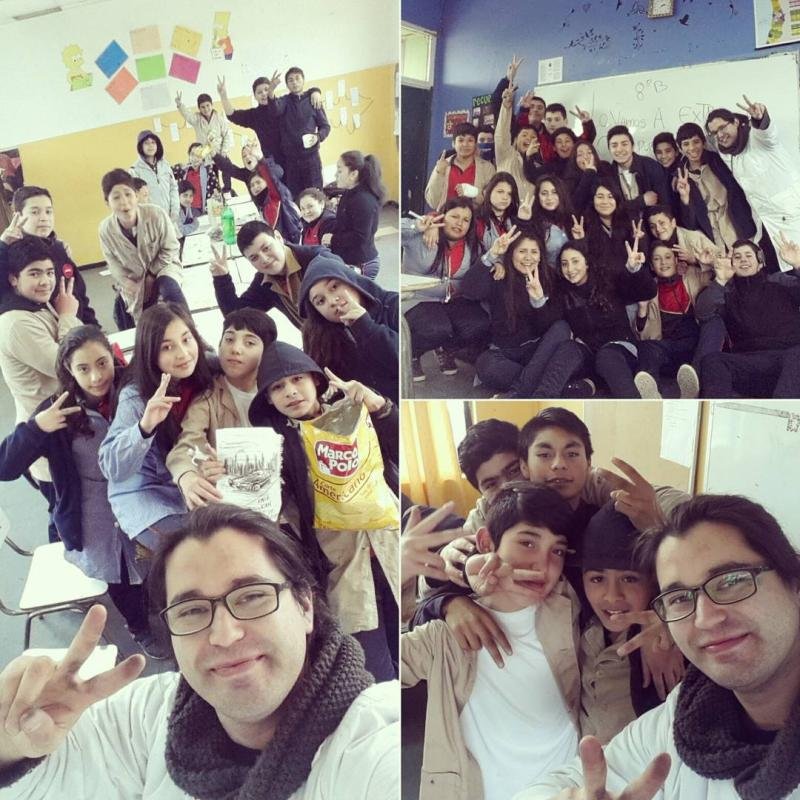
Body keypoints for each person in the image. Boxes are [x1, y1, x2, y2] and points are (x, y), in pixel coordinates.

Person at [0, 504, 399, 798]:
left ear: (306, 605)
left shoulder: (372, 742)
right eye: (192, 610)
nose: (224, 634)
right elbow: (54, 782)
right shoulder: (150, 715)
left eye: (251, 596)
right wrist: (13, 750)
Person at [519, 493, 800, 799]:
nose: (705, 619)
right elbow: (562, 782)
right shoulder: (689, 717)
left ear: (794, 582)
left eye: (731, 581)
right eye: (680, 598)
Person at [401, 483, 580, 800]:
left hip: (567, 788)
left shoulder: (570, 609)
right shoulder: (447, 635)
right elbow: (379, 671)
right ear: (485, 541)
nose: (543, 564)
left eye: (558, 551)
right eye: (527, 542)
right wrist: (401, 575)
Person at [248, 341, 399, 682]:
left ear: (316, 380)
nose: (290, 391)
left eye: (297, 379)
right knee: (372, 669)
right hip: (340, 566)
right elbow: (272, 511)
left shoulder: (354, 414)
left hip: (391, 547)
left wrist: (380, 408)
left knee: (406, 643)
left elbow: (400, 449)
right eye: (277, 387)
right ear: (269, 399)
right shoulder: (274, 447)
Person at [0, 326, 149, 644]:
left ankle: (153, 604)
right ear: (68, 369)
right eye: (83, 368)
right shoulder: (58, 409)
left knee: (153, 561)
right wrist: (38, 428)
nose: (96, 377)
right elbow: (5, 466)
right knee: (120, 577)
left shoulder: (132, 390)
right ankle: (139, 627)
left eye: (102, 363)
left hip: (138, 495)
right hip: (92, 510)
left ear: (113, 356)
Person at [98, 303, 214, 561]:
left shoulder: (205, 372)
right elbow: (112, 468)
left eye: (186, 339)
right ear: (150, 354)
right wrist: (144, 427)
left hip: (188, 486)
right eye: (167, 347)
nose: (183, 353)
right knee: (200, 554)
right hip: (145, 496)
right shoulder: (135, 397)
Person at [0, 239, 82, 535]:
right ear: (13, 279)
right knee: (63, 513)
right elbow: (69, 365)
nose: (45, 280)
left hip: (60, 426)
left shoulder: (36, 307)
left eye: (49, 272)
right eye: (34, 273)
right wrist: (69, 315)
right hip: (45, 436)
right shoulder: (16, 323)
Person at [166, 308, 277, 510]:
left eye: (249, 342)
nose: (235, 349)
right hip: (236, 507)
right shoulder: (208, 399)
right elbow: (185, 447)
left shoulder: (279, 390)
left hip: (284, 500)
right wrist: (189, 475)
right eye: (229, 339)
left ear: (267, 352)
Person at [578, 502, 670, 745]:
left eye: (629, 579)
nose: (612, 596)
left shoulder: (667, 641)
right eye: (597, 579)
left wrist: (671, 623)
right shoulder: (580, 620)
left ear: (653, 581)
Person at [460, 230, 581, 398]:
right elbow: (468, 289)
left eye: (534, 252)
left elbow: (553, 325)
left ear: (540, 256)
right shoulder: (499, 274)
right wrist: (492, 256)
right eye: (522, 251)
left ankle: (518, 393)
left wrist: (538, 301)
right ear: (511, 253)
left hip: (540, 351)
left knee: (562, 328)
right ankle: (553, 385)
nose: (528, 257)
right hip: (507, 351)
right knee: (486, 365)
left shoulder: (551, 277)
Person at [548, 239, 658, 397]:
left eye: (575, 261)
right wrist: (538, 301)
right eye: (564, 264)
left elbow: (647, 292)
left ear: (587, 263)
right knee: (568, 351)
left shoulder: (609, 282)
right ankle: (585, 385)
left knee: (606, 357)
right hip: (589, 354)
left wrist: (635, 270)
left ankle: (634, 403)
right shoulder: (563, 293)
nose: (570, 269)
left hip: (618, 349)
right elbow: (548, 322)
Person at [695, 240, 800, 397]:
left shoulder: (779, 281)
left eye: (748, 255)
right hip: (750, 362)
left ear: (760, 262)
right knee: (713, 361)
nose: (743, 259)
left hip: (789, 357)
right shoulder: (728, 293)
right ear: (732, 264)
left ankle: (780, 413)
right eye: (737, 257)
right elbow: (703, 312)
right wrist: (721, 280)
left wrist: (798, 265)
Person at [706, 96, 800, 272]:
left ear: (735, 121)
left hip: (792, 220)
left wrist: (759, 117)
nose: (719, 135)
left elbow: (767, 131)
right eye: (713, 132)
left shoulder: (758, 139)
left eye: (722, 127)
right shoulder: (728, 153)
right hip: (764, 227)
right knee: (778, 278)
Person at [401, 198, 490, 382]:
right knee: (436, 328)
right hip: (418, 299)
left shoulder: (473, 247)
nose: (460, 223)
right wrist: (418, 226)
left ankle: (447, 347)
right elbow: (400, 230)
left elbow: (480, 271)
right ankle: (412, 354)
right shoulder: (422, 236)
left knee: (479, 322)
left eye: (466, 220)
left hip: (451, 301)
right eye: (455, 216)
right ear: (443, 216)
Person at [299, 253, 399, 402]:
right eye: (320, 301)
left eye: (334, 286)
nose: (332, 301)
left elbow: (401, 365)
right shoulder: (318, 336)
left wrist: (366, 327)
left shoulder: (391, 305)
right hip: (362, 414)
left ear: (350, 280)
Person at [97, 169, 187, 329]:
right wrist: (126, 282)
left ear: (136, 196)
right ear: (107, 202)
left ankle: (192, 333)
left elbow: (171, 247)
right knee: (145, 321)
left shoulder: (156, 214)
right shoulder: (105, 229)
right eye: (116, 197)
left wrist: (151, 275)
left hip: (163, 268)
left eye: (128, 194)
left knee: (169, 290)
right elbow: (112, 262)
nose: (124, 202)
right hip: (134, 278)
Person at [633, 241, 722, 400]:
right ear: (652, 266)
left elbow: (722, 275)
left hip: (698, 351)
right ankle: (652, 394)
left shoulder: (692, 274)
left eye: (668, 257)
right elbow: (643, 336)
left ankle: (693, 382)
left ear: (676, 261)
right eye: (657, 259)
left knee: (714, 322)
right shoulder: (649, 289)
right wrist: (642, 309)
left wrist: (697, 260)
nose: (663, 262)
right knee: (646, 347)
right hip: (670, 352)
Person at [0, 186, 98, 326]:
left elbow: (79, 295)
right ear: (18, 215)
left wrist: (95, 329)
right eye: (35, 212)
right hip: (41, 330)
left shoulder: (59, 248)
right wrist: (2, 246)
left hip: (77, 328)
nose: (44, 218)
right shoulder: (10, 253)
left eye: (48, 212)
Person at [209, 219, 327, 328]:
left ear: (278, 237)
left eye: (266, 248)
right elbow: (236, 315)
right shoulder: (265, 283)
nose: (264, 259)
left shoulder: (318, 260)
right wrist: (222, 279)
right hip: (316, 343)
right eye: (254, 258)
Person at [674, 121, 758, 252]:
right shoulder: (679, 177)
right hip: (711, 236)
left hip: (736, 223)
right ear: (679, 148)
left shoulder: (719, 161)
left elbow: (739, 192)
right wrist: (685, 199)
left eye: (696, 142)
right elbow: (690, 223)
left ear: (704, 142)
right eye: (685, 144)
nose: (691, 148)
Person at [217, 74, 323, 176]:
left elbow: (298, 95)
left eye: (266, 90)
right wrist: (223, 96)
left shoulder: (283, 104)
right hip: (273, 164)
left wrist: (315, 91)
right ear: (255, 96)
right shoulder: (254, 115)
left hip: (294, 158)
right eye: (259, 92)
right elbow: (232, 115)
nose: (264, 94)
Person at [214, 140, 301, 243]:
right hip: (270, 224)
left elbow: (275, 177)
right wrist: (213, 153)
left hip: (288, 232)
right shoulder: (247, 174)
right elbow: (229, 168)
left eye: (250, 154)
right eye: (244, 156)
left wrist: (261, 159)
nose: (247, 157)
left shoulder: (271, 177)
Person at [265, 66, 331, 196]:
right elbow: (274, 110)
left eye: (297, 78)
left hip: (312, 159)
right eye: (290, 80)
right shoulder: (284, 101)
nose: (294, 82)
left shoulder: (313, 99)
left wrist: (318, 137)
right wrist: (271, 90)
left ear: (303, 80)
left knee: (316, 195)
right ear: (287, 85)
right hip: (291, 161)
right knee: (296, 197)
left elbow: (325, 126)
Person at [321, 151, 385, 279]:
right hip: (348, 258)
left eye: (339, 171)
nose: (335, 175)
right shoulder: (349, 194)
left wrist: (333, 239)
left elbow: (361, 237)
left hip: (362, 263)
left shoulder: (363, 200)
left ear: (354, 174)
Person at [425, 122, 496, 211]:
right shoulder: (443, 164)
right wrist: (439, 173)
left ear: (475, 144)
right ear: (453, 143)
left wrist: (474, 192)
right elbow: (433, 202)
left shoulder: (487, 168)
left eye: (470, 140)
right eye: (461, 140)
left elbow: (492, 200)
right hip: (446, 220)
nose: (465, 144)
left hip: (475, 221)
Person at [175, 89, 234, 194]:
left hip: (219, 152)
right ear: (199, 108)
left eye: (208, 105)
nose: (206, 109)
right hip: (205, 154)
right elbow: (187, 115)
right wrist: (180, 105)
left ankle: (228, 191)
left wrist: (224, 151)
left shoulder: (219, 118)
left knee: (227, 168)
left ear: (212, 105)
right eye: (203, 107)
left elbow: (226, 135)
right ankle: (216, 193)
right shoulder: (196, 119)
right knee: (212, 178)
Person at [606, 125, 670, 217]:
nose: (619, 149)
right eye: (614, 145)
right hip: (623, 227)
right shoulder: (607, 173)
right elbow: (611, 209)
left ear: (632, 146)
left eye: (624, 144)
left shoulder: (651, 166)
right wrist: (641, 201)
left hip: (651, 226)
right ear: (609, 149)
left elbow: (665, 204)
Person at [517, 175, 575, 272]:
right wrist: (524, 222)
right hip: (546, 279)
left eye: (554, 192)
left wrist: (580, 240)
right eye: (544, 193)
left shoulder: (571, 218)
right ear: (538, 196)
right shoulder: (533, 222)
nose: (549, 197)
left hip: (571, 276)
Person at [495, 83, 540, 199]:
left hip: (529, 214)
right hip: (505, 212)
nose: (529, 139)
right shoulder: (506, 154)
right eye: (524, 135)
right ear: (515, 140)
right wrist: (506, 107)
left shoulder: (539, 164)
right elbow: (502, 134)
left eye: (533, 137)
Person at [130, 130, 179, 222]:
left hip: (171, 218)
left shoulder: (165, 164)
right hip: (151, 220)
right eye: (146, 143)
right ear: (140, 147)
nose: (151, 146)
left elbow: (173, 188)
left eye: (153, 142)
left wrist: (175, 211)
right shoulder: (135, 170)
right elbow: (137, 199)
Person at [173, 142, 219, 215]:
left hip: (204, 211)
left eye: (198, 155)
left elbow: (216, 192)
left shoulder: (208, 171)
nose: (195, 158)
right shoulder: (182, 170)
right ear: (189, 156)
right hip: (186, 211)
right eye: (192, 154)